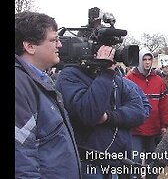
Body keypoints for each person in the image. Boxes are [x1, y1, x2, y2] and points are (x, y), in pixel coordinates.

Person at [55, 44, 147, 178]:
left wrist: (109, 117)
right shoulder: (69, 76)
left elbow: (139, 112)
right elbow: (89, 113)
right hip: (90, 163)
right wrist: (106, 73)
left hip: (118, 162)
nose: (111, 55)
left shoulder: (115, 79)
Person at [15, 11, 81, 178]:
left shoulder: (38, 80)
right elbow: (21, 160)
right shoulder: (18, 86)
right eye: (53, 40)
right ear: (29, 46)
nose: (59, 45)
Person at [126, 48, 168, 179]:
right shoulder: (129, 79)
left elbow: (164, 105)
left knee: (153, 165)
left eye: (149, 59)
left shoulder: (159, 81)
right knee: (134, 165)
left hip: (154, 130)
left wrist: (164, 125)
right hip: (135, 131)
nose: (147, 62)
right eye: (144, 59)